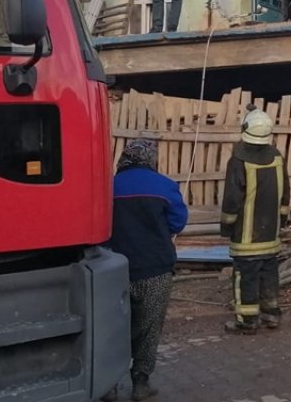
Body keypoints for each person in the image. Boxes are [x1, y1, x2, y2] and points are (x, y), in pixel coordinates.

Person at [103, 139, 188, 401]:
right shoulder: (164, 185)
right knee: (149, 327)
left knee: (112, 328)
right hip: (155, 269)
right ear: (151, 158)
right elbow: (178, 221)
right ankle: (141, 383)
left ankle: (108, 387)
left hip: (113, 273)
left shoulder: (107, 188)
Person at [220, 108, 291, 334]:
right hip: (271, 233)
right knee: (269, 272)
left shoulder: (239, 160)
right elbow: (285, 193)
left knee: (245, 276)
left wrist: (227, 226)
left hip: (246, 235)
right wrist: (282, 220)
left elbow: (232, 199)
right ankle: (271, 315)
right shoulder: (277, 158)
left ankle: (247, 321)